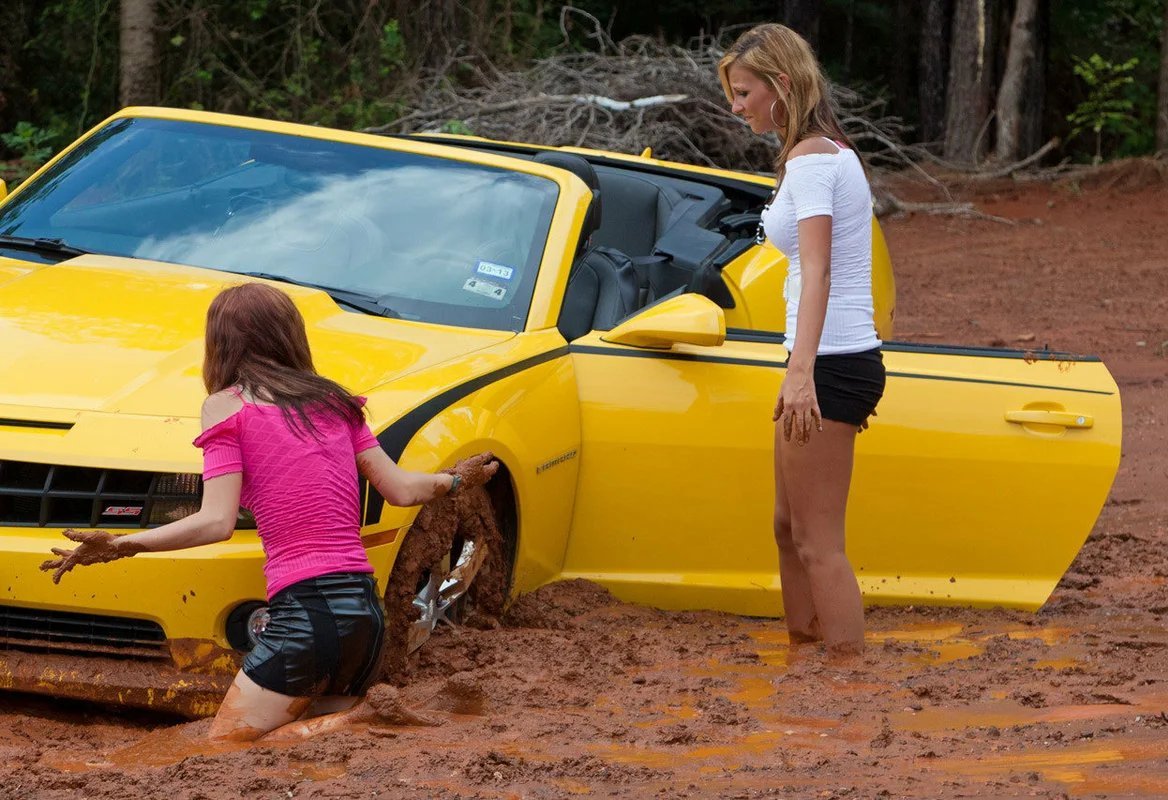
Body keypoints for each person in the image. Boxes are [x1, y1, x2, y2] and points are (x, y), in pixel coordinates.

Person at [40, 281, 499, 740]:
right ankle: (357, 720)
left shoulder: (227, 407)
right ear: (290, 335)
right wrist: (456, 478)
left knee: (227, 745)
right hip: (365, 614)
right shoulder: (336, 403)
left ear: (220, 344)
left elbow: (217, 521)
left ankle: (362, 717)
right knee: (327, 751)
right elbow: (399, 489)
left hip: (306, 614)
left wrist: (123, 545)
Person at [718, 24, 885, 656]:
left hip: (832, 363)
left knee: (818, 540)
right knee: (787, 528)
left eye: (743, 92)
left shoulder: (814, 159)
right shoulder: (819, 154)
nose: (736, 107)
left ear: (781, 85)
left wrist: (800, 372)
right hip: (823, 358)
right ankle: (805, 653)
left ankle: (845, 678)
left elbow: (815, 268)